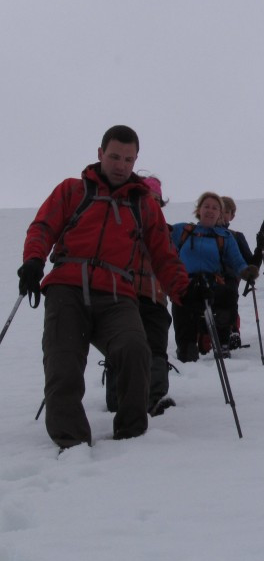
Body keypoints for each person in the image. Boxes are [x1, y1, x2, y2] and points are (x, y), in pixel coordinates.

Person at [18, 125, 192, 450]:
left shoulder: (144, 205)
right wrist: (33, 261)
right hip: (67, 287)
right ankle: (72, 443)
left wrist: (185, 292)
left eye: (128, 159)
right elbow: (43, 226)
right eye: (114, 156)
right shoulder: (72, 191)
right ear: (100, 154)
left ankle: (131, 434)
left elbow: (163, 255)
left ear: (135, 159)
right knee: (64, 363)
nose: (120, 165)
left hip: (117, 294)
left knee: (134, 349)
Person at [104, 175, 176, 417]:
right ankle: (117, 399)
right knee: (123, 347)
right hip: (123, 294)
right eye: (148, 198)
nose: (152, 203)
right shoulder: (122, 226)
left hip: (155, 296)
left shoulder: (167, 232)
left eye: (156, 199)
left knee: (155, 345)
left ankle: (154, 397)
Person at [170, 192, 258, 362]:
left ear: (220, 213)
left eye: (215, 208)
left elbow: (237, 260)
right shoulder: (183, 230)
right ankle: (186, 349)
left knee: (227, 296)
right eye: (207, 206)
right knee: (182, 307)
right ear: (199, 209)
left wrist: (247, 272)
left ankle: (222, 343)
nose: (210, 211)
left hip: (212, 282)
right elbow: (159, 236)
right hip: (186, 282)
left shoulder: (225, 237)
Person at [220, 195, 256, 346]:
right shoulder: (199, 233)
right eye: (220, 210)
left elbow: (250, 262)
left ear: (232, 216)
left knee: (229, 300)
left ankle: (232, 329)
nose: (222, 215)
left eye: (226, 212)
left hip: (230, 276)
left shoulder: (236, 236)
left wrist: (260, 250)